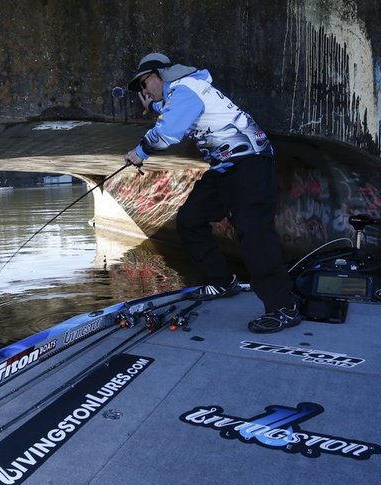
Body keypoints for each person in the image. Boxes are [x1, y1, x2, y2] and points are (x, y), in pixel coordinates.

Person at [124, 52, 300, 333]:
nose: (143, 91)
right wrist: (157, 105)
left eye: (143, 84)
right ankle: (222, 282)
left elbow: (169, 132)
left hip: (249, 162)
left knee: (254, 232)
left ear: (158, 75)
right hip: (225, 166)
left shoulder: (185, 90)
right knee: (190, 219)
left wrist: (139, 151)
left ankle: (283, 307)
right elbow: (179, 112)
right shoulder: (183, 91)